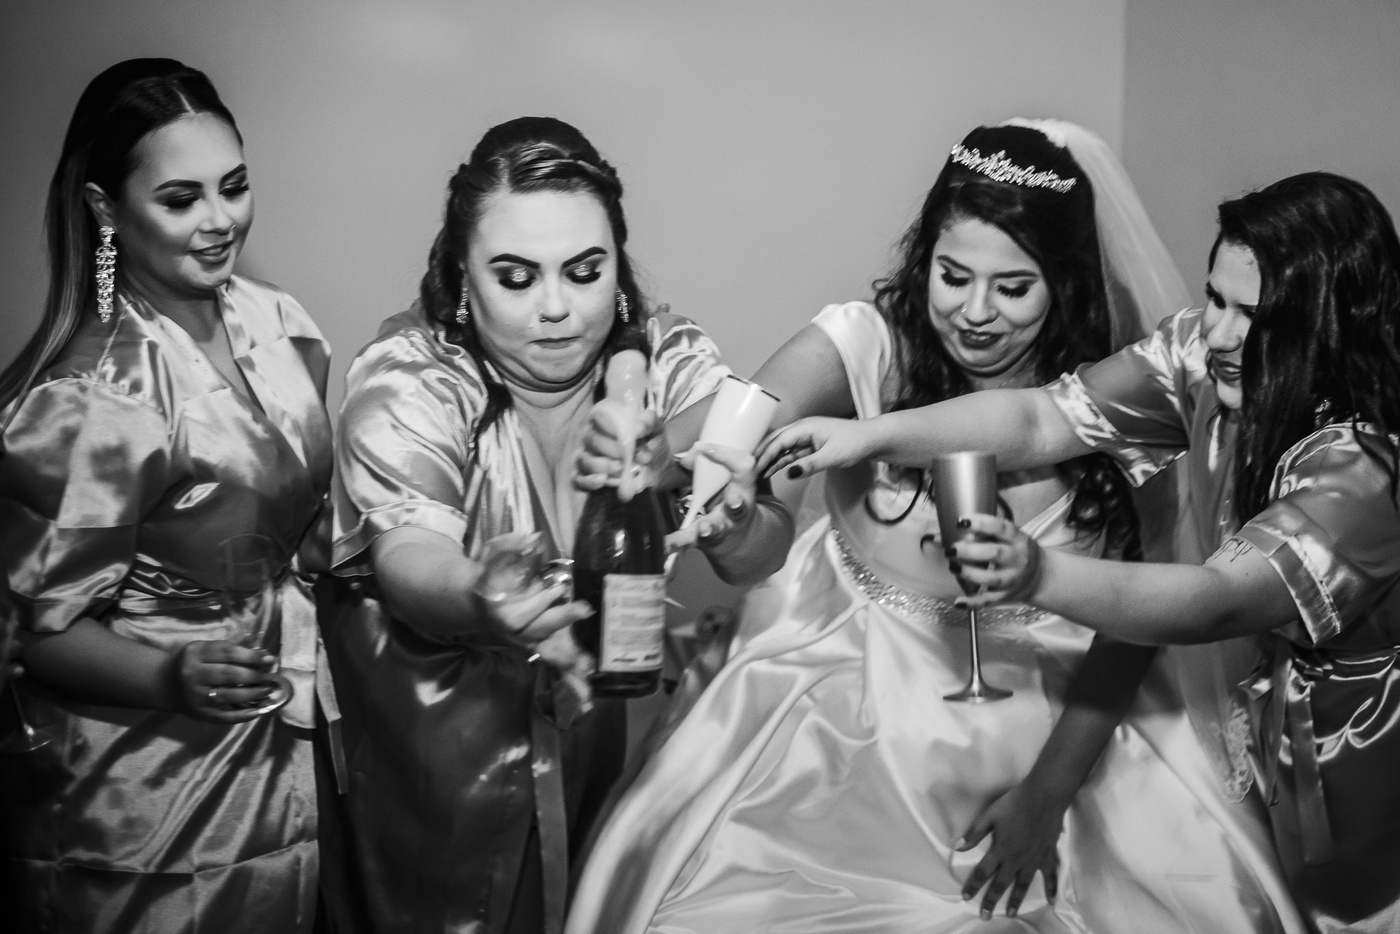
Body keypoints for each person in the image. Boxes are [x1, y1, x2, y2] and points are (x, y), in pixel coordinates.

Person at [566, 121, 1304, 934]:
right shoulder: (870, 344)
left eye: (1013, 288)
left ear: (1064, 284)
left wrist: (1046, 798)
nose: (975, 313)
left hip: (1063, 718)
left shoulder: (1123, 394)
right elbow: (746, 412)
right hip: (847, 705)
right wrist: (662, 450)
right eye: (953, 277)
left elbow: (1143, 612)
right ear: (926, 261)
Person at [772, 170, 1400, 933]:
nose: (1219, 333)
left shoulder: (1364, 477)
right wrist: (870, 436)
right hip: (1252, 725)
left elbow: (1215, 599)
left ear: (1330, 325)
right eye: (1216, 299)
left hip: (1356, 757)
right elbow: (1040, 421)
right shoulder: (1198, 355)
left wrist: (1038, 572)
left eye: (1254, 316)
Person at [316, 116, 791, 934]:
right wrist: (479, 594)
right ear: (461, 277)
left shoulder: (666, 362)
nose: (557, 309)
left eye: (584, 271)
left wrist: (731, 521)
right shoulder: (412, 378)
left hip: (598, 748)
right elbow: (407, 558)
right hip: (436, 768)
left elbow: (759, 551)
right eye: (515, 277)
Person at [0, 59, 330, 932]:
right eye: (181, 199)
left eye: (234, 186)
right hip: (146, 784)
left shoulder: (278, 320)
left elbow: (298, 518)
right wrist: (173, 675)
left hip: (278, 736)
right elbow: (40, 632)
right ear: (106, 209)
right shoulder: (92, 394)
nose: (220, 220)